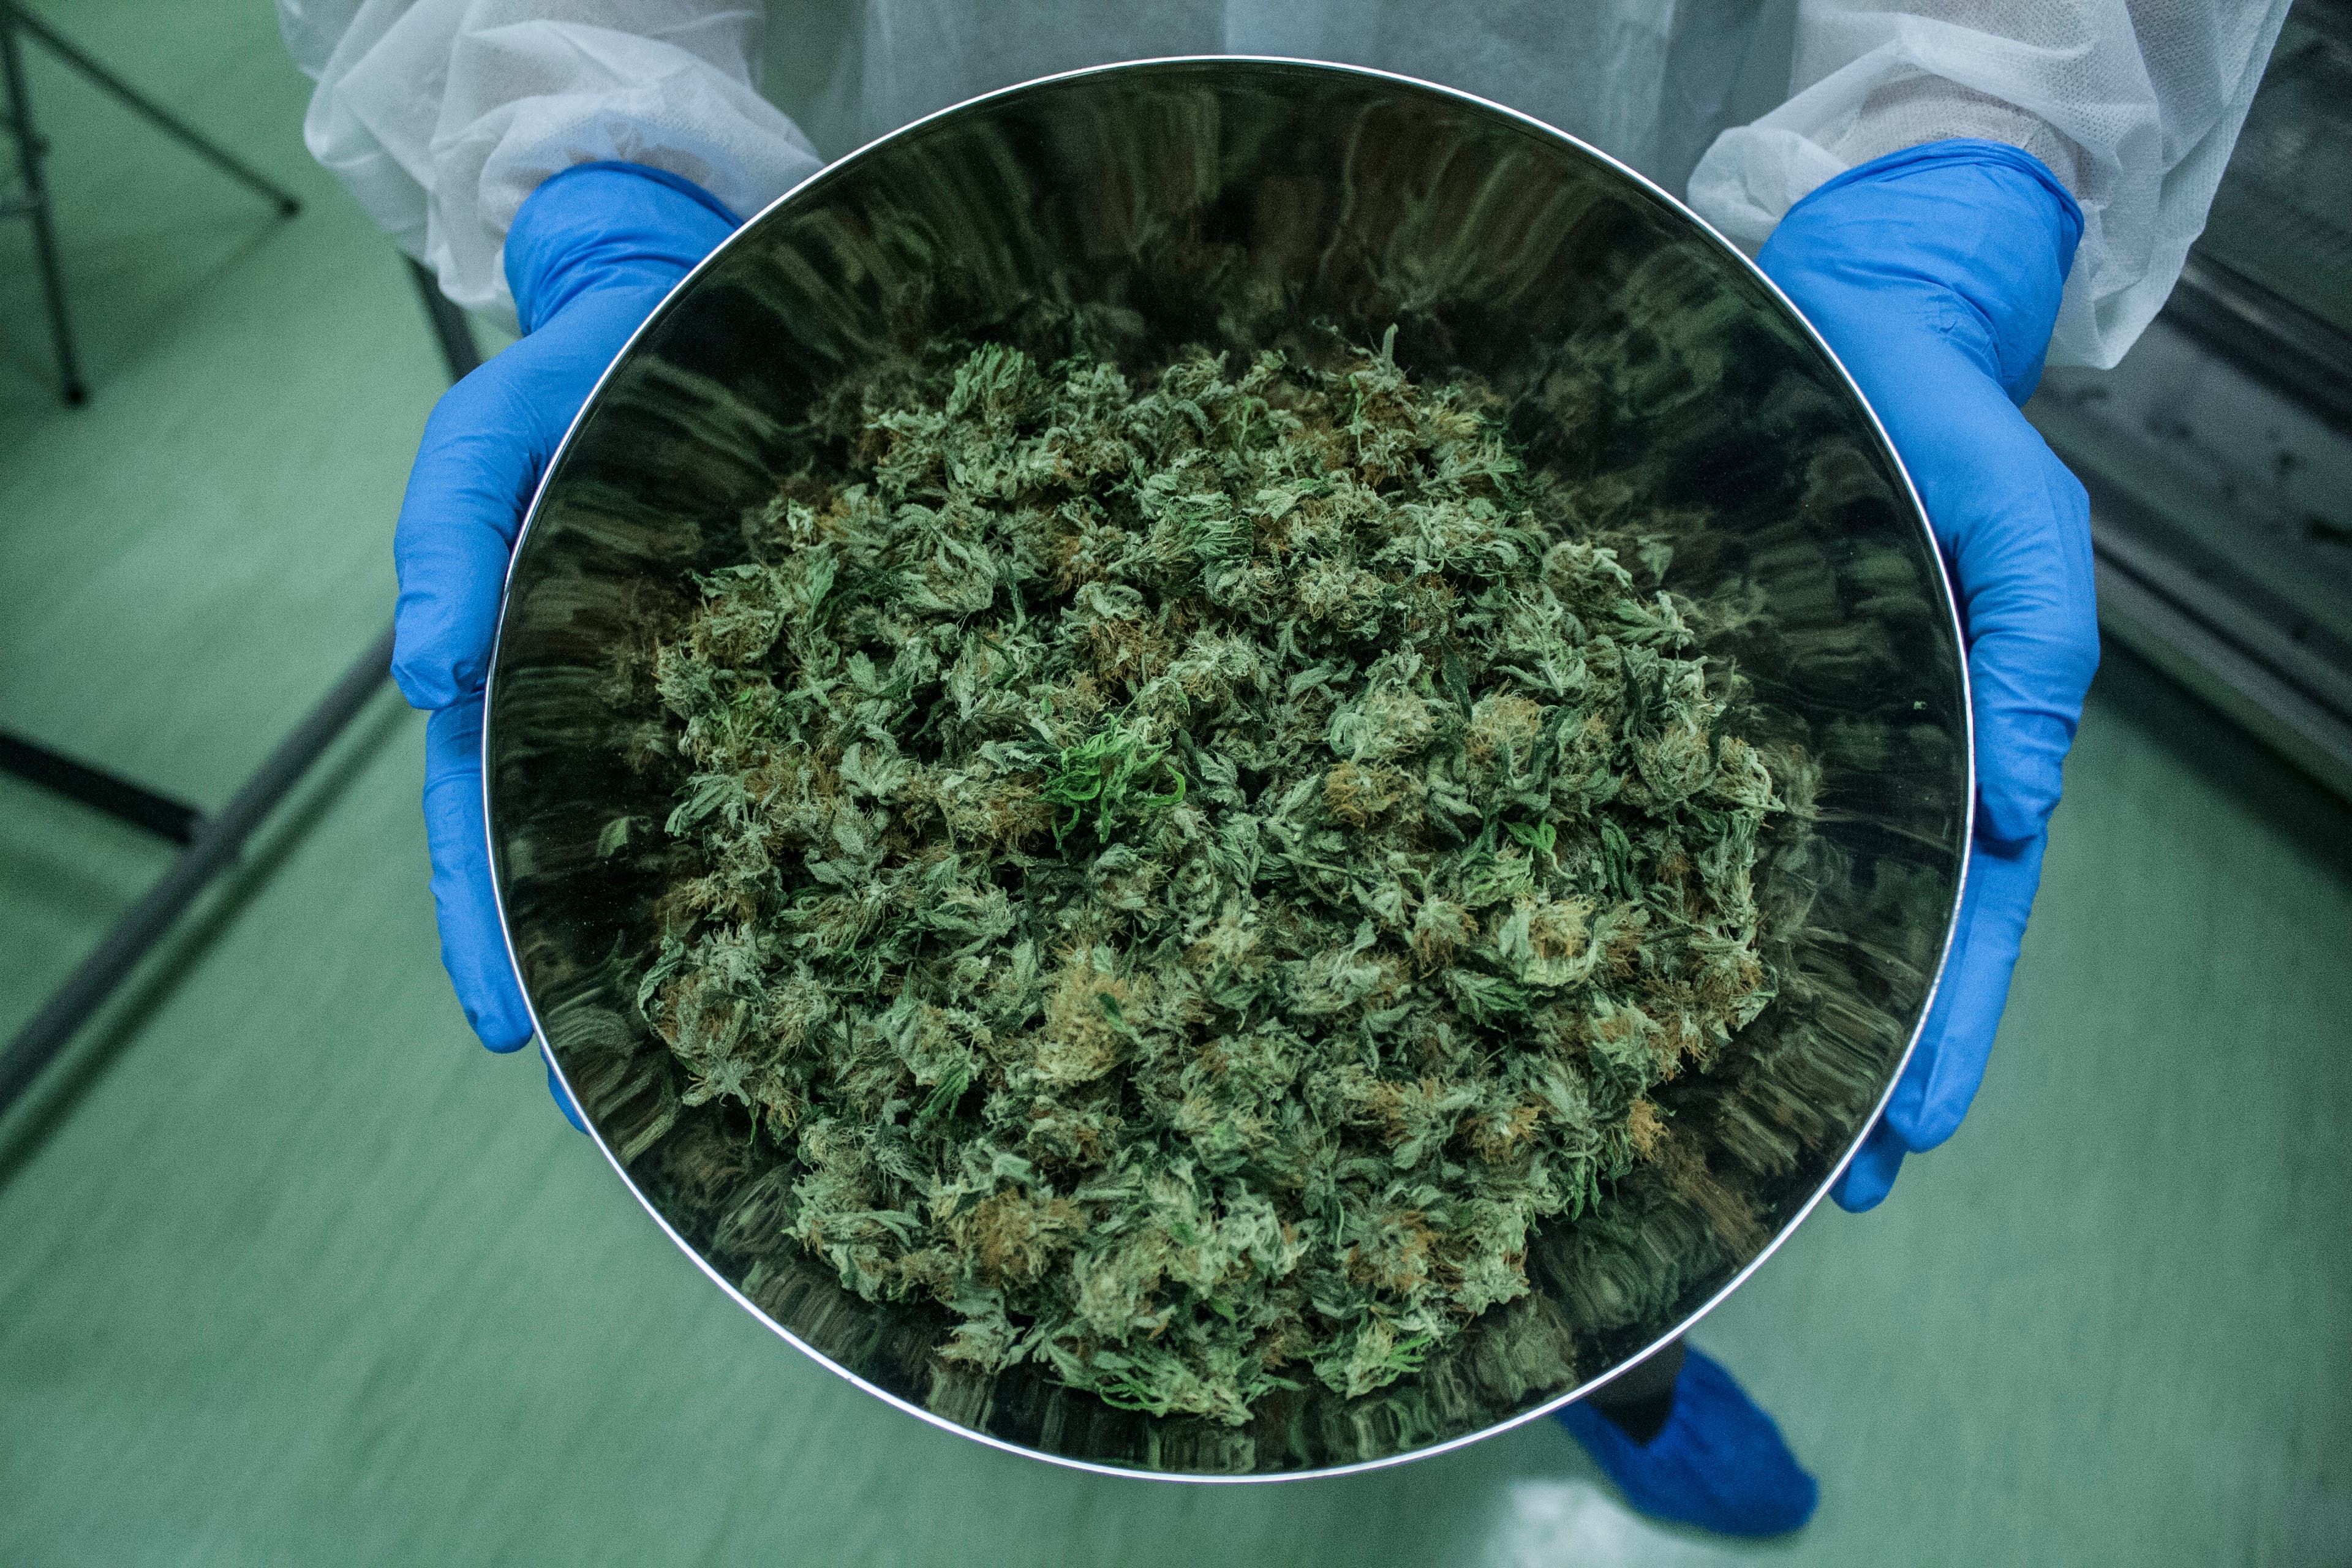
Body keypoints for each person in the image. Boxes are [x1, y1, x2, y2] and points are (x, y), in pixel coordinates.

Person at [277, 0, 2288, 1537]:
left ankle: (1611, 1358)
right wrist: (594, 137)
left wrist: (1969, 128)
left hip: (1598, 183)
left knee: (1624, 1157)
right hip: (975, 172)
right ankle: (1164, 1357)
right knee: (1047, 1257)